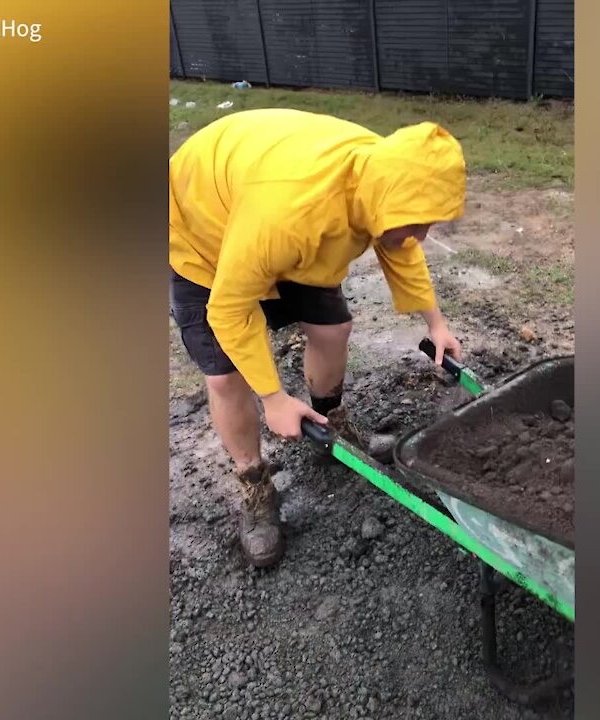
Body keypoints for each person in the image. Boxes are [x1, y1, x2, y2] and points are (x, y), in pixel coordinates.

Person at [168, 108, 466, 567]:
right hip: (203, 228)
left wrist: (436, 324)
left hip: (274, 210)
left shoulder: (382, 173)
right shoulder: (288, 214)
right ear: (383, 201)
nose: (422, 235)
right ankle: (255, 483)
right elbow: (228, 308)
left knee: (333, 328)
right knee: (226, 377)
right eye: (416, 222)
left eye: (428, 221)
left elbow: (400, 243)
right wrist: (272, 397)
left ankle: (330, 425)